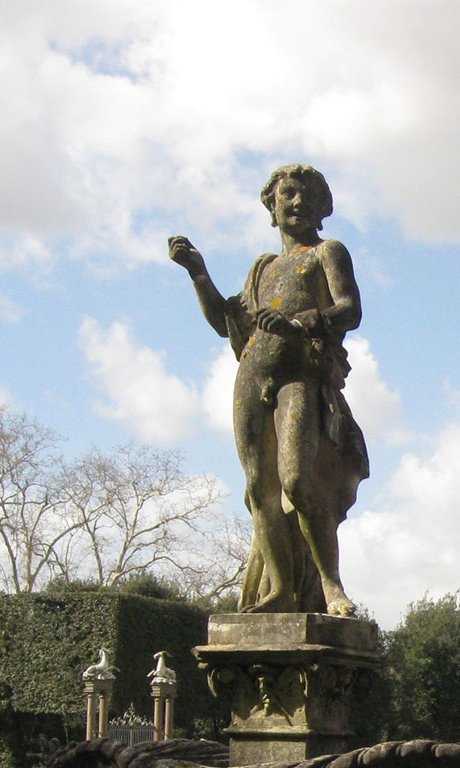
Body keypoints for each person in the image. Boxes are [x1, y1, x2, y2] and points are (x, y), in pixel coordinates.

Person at [169, 165, 368, 616]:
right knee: (259, 489)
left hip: (299, 375)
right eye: (288, 195)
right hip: (251, 377)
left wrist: (300, 322)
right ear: (272, 208)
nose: (296, 202)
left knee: (296, 481)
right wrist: (197, 273)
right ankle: (279, 588)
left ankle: (331, 586)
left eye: (306, 196)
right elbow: (227, 321)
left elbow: (350, 309)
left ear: (321, 209)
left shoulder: (326, 253)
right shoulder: (262, 267)